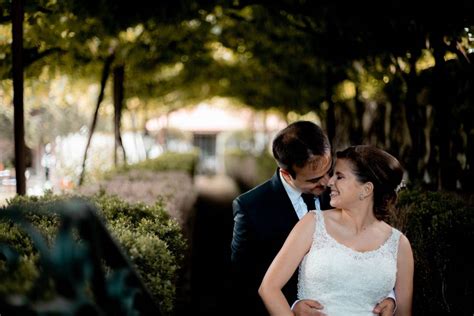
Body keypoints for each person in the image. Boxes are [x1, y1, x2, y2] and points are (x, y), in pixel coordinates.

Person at [231, 121, 395, 316]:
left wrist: (389, 295)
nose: (327, 183)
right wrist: (290, 307)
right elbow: (244, 284)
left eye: (329, 171)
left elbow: (374, 247)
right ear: (286, 173)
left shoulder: (345, 193)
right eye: (314, 179)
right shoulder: (251, 208)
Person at [259, 145, 414, 316]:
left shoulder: (399, 244)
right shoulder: (312, 223)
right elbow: (269, 288)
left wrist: (392, 300)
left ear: (366, 189)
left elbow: (404, 312)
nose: (329, 182)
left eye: (339, 176)